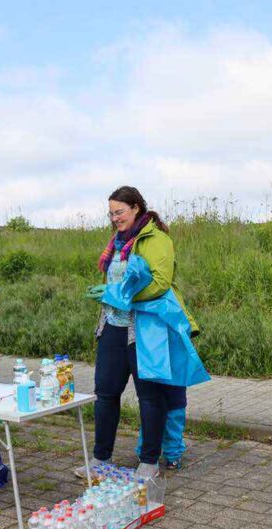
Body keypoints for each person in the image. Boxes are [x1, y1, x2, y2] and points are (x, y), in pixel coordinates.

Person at [78, 186, 200, 480]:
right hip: (112, 327)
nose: (114, 218)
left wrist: (112, 292)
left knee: (149, 396)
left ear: (136, 208)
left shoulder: (156, 239)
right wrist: (109, 295)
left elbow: (159, 283)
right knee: (105, 394)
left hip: (143, 329)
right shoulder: (118, 242)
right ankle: (100, 459)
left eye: (119, 212)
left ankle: (149, 462)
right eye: (110, 213)